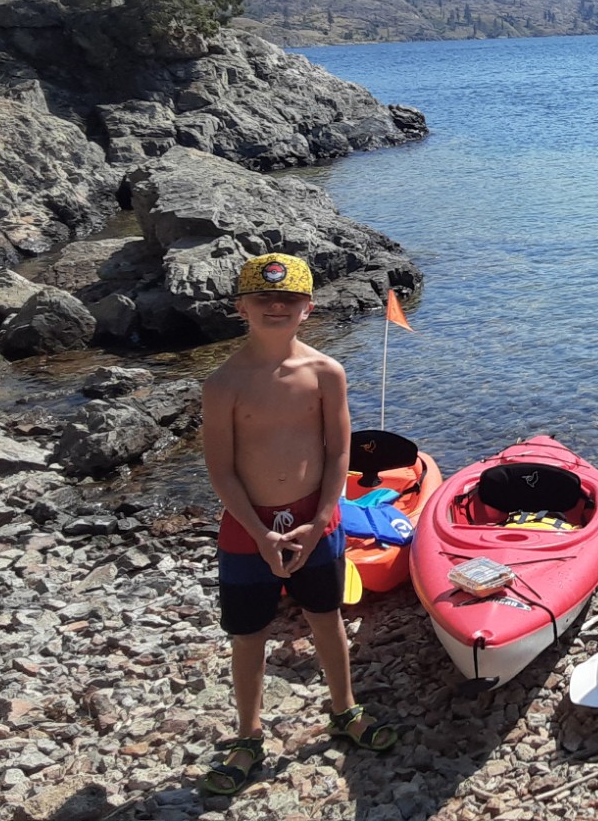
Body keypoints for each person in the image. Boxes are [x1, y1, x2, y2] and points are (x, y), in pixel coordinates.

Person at [198, 253, 398, 796]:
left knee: (326, 617)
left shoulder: (326, 373)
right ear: (242, 307)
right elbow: (221, 468)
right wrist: (260, 533)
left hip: (318, 519)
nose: (276, 307)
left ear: (308, 308)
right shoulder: (224, 385)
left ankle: (344, 710)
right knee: (248, 635)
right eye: (264, 299)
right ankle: (248, 734)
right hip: (247, 528)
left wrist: (319, 521)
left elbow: (338, 455)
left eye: (289, 299)